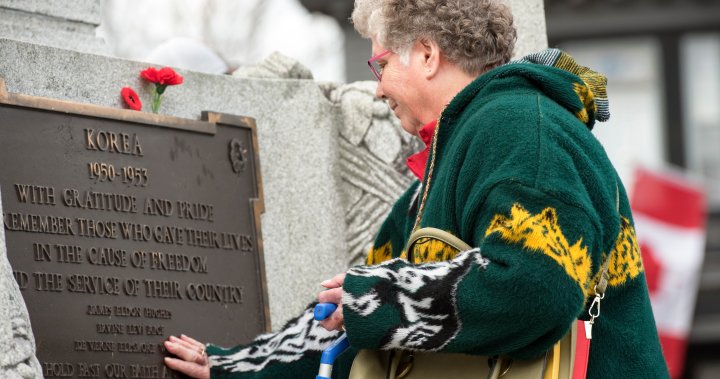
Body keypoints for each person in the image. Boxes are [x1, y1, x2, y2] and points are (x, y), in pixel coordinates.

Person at [163, 0, 670, 378]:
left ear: (427, 55)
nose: (378, 86)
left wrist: (376, 299)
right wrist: (230, 366)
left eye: (381, 64)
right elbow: (346, 317)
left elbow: (535, 286)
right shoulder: (441, 172)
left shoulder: (522, 128)